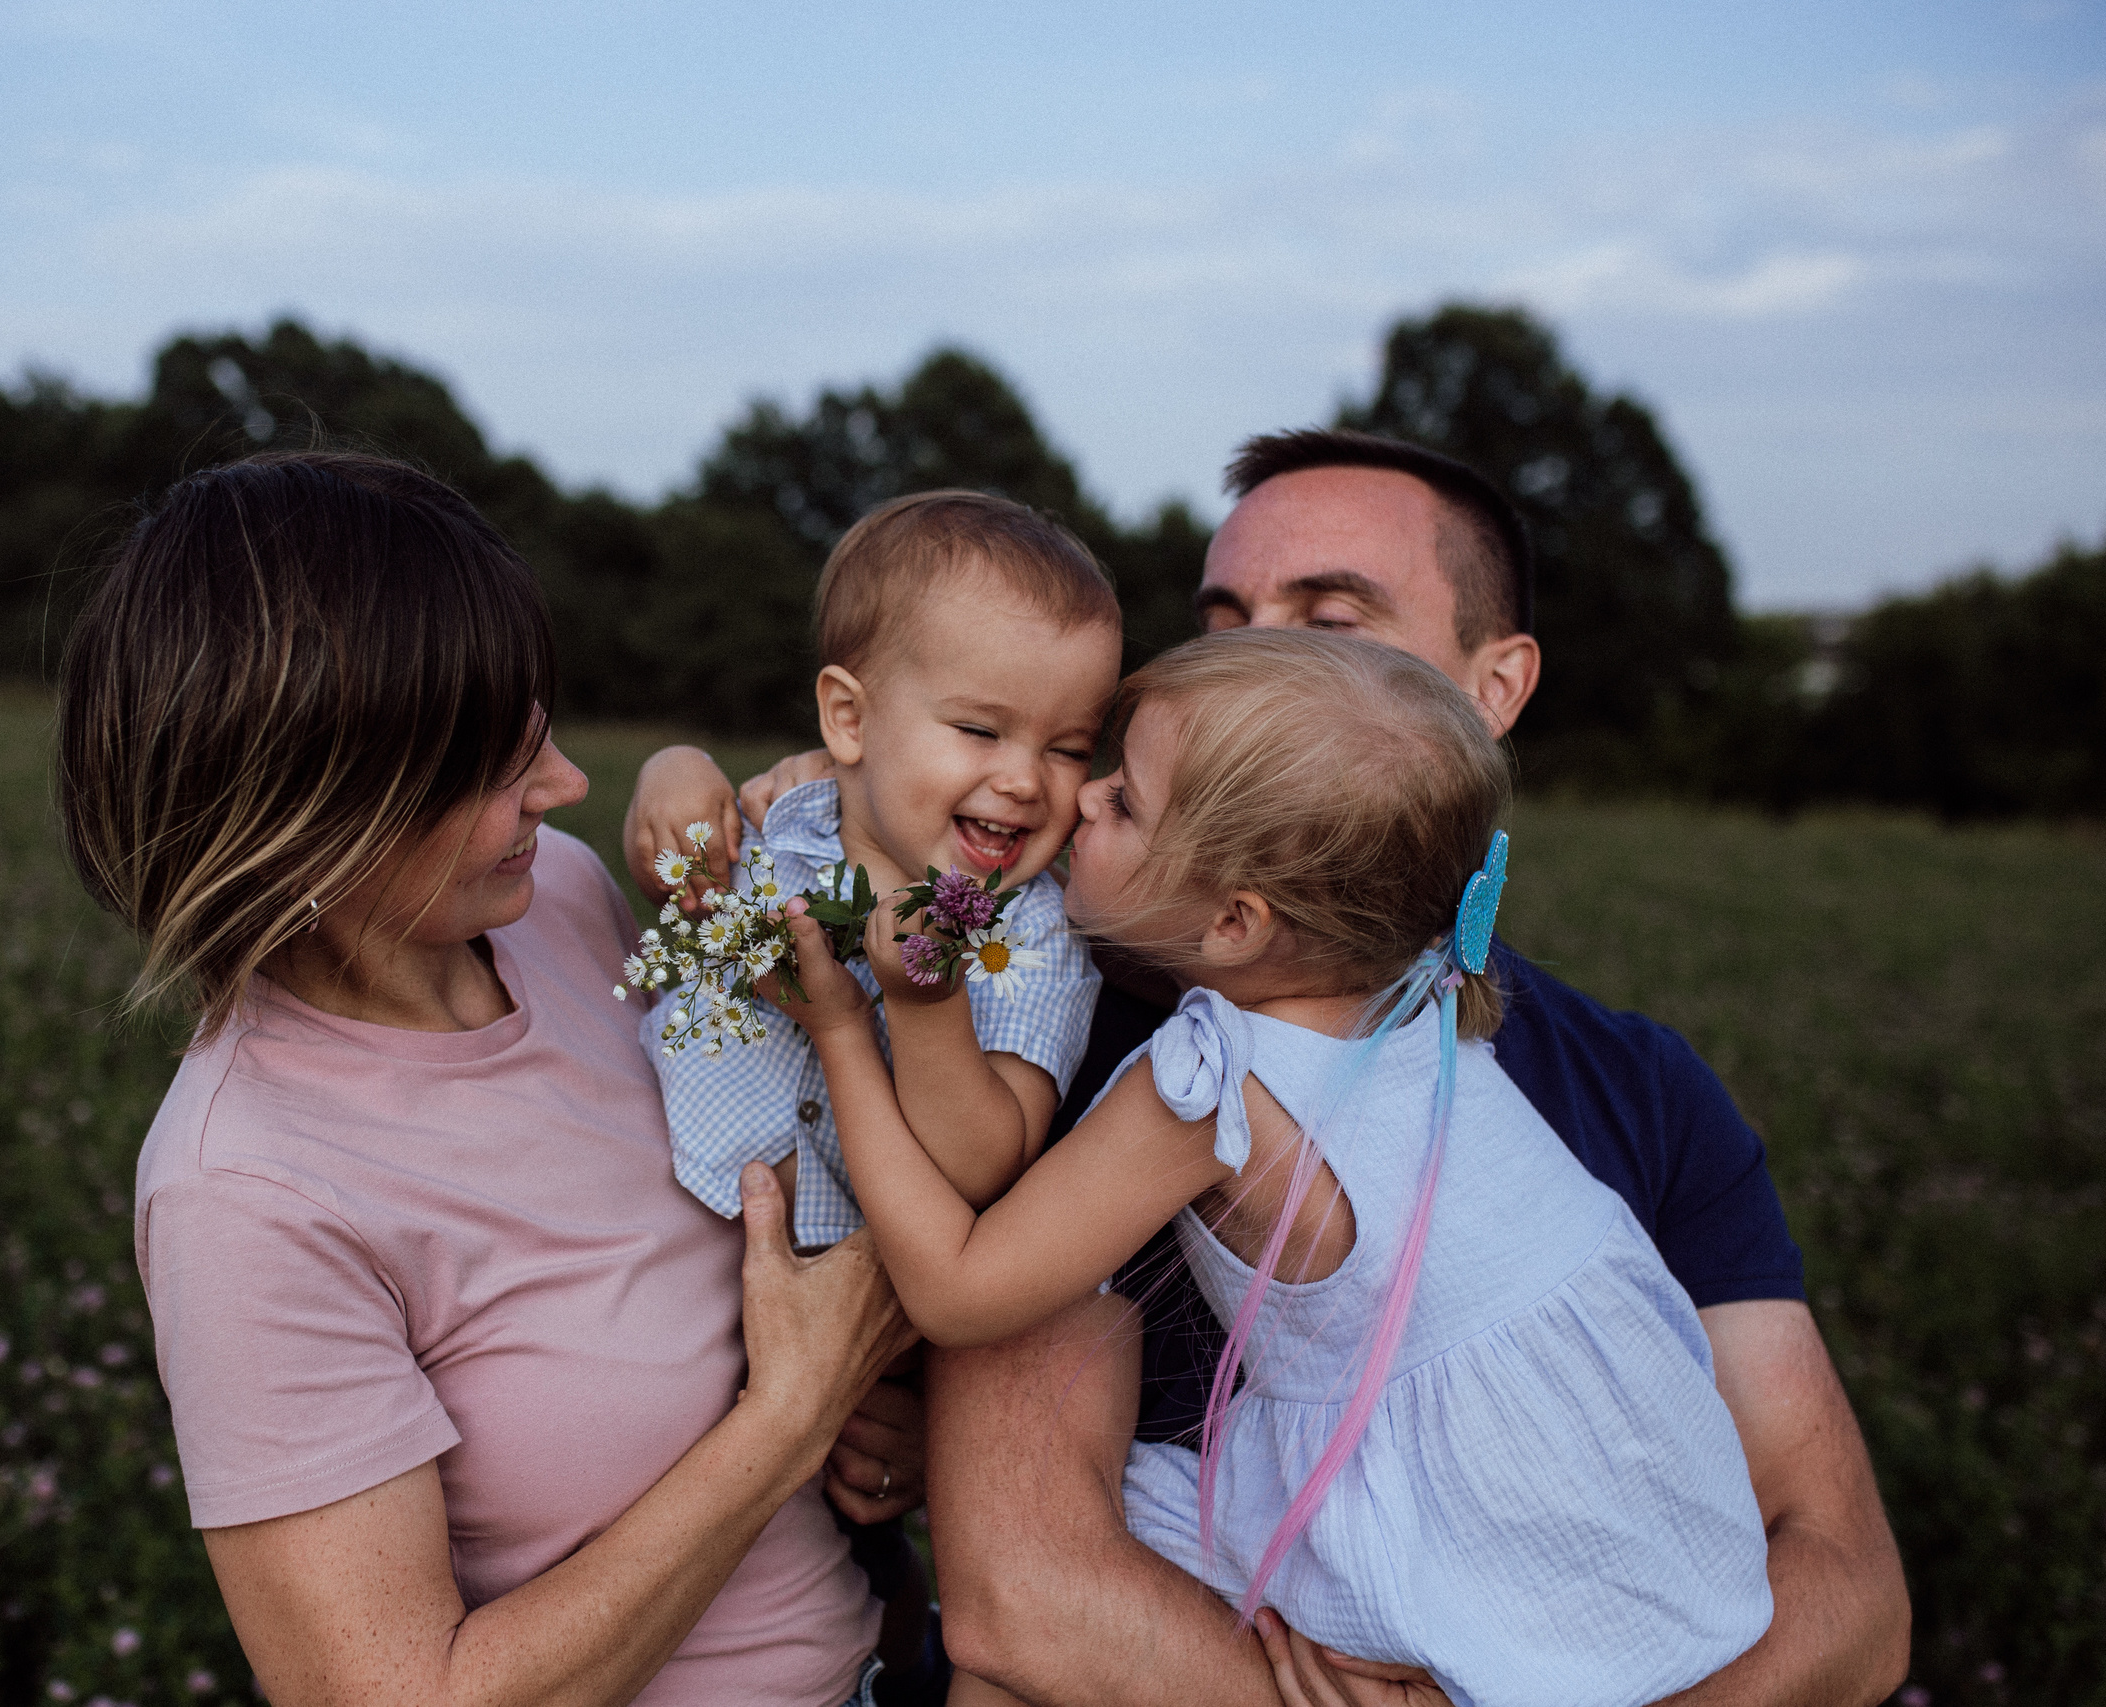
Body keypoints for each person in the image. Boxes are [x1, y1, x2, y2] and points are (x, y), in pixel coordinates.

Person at [623, 430, 1909, 1704]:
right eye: (1220, 621)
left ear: (1495, 687)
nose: (1243, 661)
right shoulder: (1097, 994)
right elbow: (1029, 1599)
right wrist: (713, 782)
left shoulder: (1625, 1086)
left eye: (1328, 623)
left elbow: (1849, 1600)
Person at [54, 451, 923, 1707]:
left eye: (539, 729)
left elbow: (747, 1206)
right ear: (308, 813)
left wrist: (870, 1426)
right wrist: (790, 1416)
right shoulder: (244, 1192)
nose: (565, 785)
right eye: (495, 765)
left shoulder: (555, 896)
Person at [772, 627, 1771, 1705]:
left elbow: (959, 1288)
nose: (1085, 797)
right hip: (1610, 1511)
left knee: (1050, 1608)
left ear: (1235, 921)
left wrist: (844, 1030)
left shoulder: (1214, 1082)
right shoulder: (1416, 999)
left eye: (1125, 802)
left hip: (1452, 1528)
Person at [637, 489, 1118, 1251]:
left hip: (848, 1276)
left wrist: (926, 1000)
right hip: (657, 1194)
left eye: (1069, 748)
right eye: (980, 729)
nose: (1026, 780)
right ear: (849, 719)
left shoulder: (1031, 934)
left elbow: (981, 1170)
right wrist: (672, 770)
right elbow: (674, 892)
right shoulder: (783, 822)